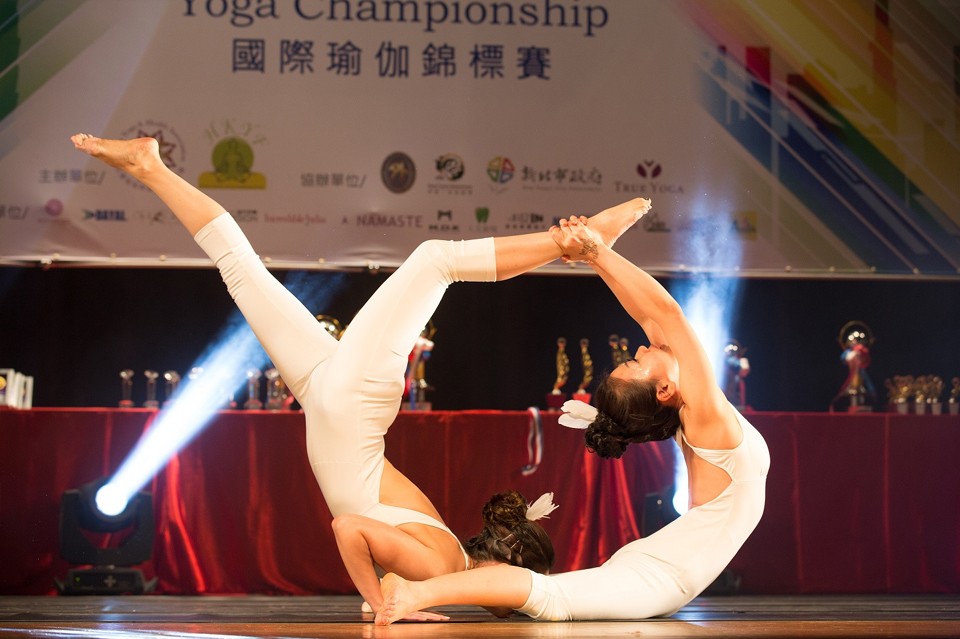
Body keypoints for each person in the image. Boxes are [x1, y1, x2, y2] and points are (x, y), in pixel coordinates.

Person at [71, 134, 649, 616]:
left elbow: (357, 528)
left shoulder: (444, 560)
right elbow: (348, 527)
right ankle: (579, 244)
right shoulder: (442, 566)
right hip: (349, 406)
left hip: (331, 402)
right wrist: (382, 602)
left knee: (241, 270)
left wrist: (386, 600)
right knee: (435, 260)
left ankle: (150, 167)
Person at [374, 214, 771, 624]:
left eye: (634, 361)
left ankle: (416, 590)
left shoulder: (699, 416)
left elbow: (659, 315)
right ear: (664, 391)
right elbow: (659, 314)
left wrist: (595, 253)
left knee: (548, 598)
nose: (643, 347)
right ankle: (415, 592)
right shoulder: (702, 415)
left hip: (664, 573)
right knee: (550, 599)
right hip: (660, 577)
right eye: (637, 361)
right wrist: (594, 252)